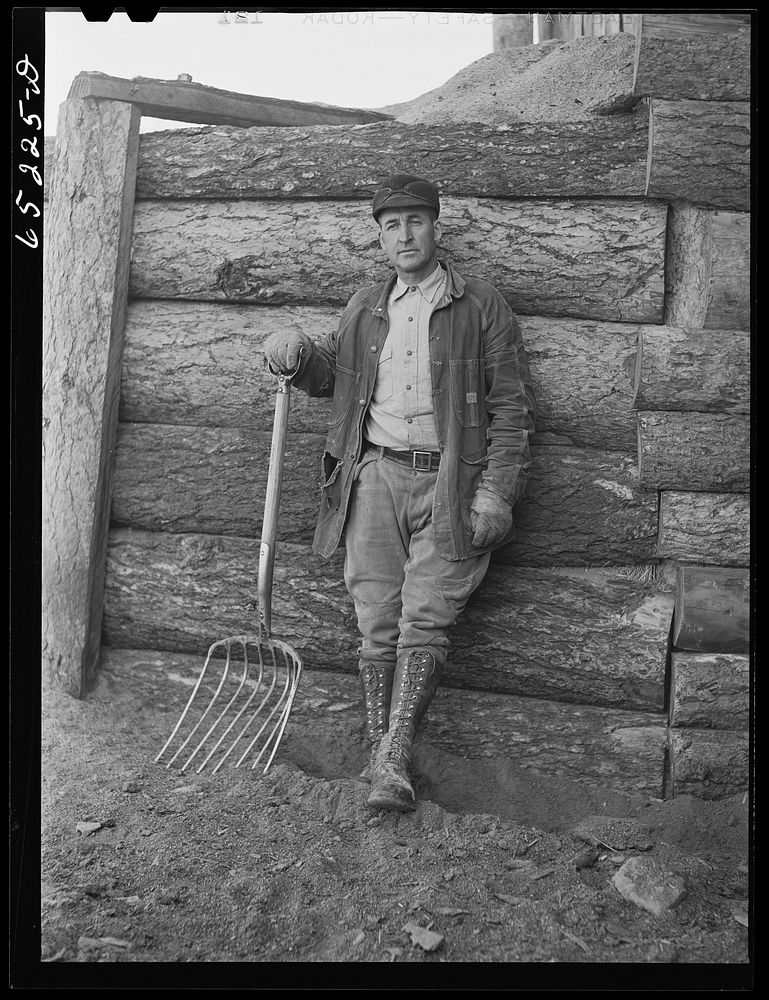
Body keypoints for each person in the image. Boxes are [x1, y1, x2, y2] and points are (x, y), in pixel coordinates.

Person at [263, 174, 535, 813]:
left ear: (436, 228)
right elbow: (338, 380)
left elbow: (512, 408)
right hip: (375, 475)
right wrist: (299, 356)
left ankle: (394, 751)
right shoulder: (365, 304)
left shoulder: (481, 306)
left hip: (452, 479)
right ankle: (377, 751)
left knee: (426, 617)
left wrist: (496, 491)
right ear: (381, 237)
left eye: (416, 221)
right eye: (392, 225)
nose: (405, 235)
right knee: (376, 617)